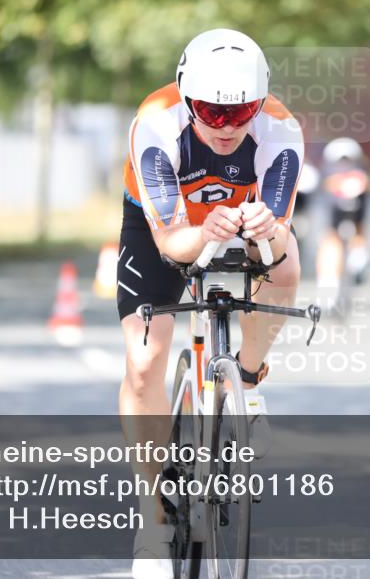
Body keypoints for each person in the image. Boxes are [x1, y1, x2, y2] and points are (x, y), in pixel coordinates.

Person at [117, 29, 303, 578]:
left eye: (239, 112)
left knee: (288, 263)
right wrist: (203, 234)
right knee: (146, 358)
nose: (225, 128)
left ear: (260, 101)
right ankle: (151, 523)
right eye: (209, 113)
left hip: (244, 218)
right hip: (166, 224)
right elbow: (174, 243)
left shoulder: (281, 129)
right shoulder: (155, 122)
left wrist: (266, 233)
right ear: (185, 96)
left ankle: (244, 382)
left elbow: (275, 245)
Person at [316, 137, 370, 302]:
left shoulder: (361, 177)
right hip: (334, 214)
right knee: (331, 239)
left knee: (358, 229)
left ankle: (358, 255)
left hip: (356, 214)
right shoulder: (328, 177)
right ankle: (329, 281)